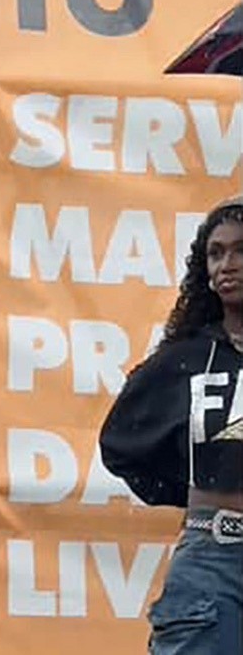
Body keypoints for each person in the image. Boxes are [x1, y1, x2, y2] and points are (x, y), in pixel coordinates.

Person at [100, 196, 243, 654]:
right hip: (213, 560)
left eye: (241, 250)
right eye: (216, 253)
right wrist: (195, 490)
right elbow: (120, 444)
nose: (227, 264)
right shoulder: (187, 359)